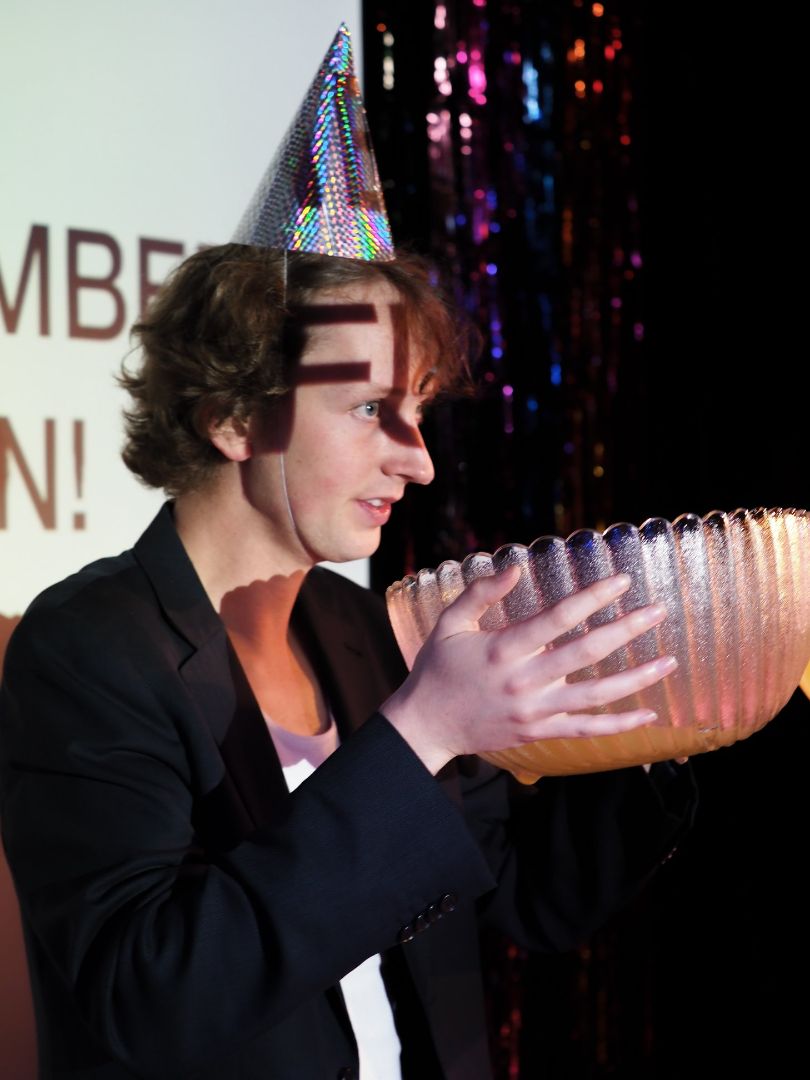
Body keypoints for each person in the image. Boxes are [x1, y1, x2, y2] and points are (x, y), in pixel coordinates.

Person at [0, 24, 695, 1080]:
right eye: (372, 408)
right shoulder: (87, 650)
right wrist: (423, 731)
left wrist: (673, 707)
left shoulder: (363, 630)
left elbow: (522, 897)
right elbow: (150, 998)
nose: (418, 460)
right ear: (234, 415)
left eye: (419, 410)